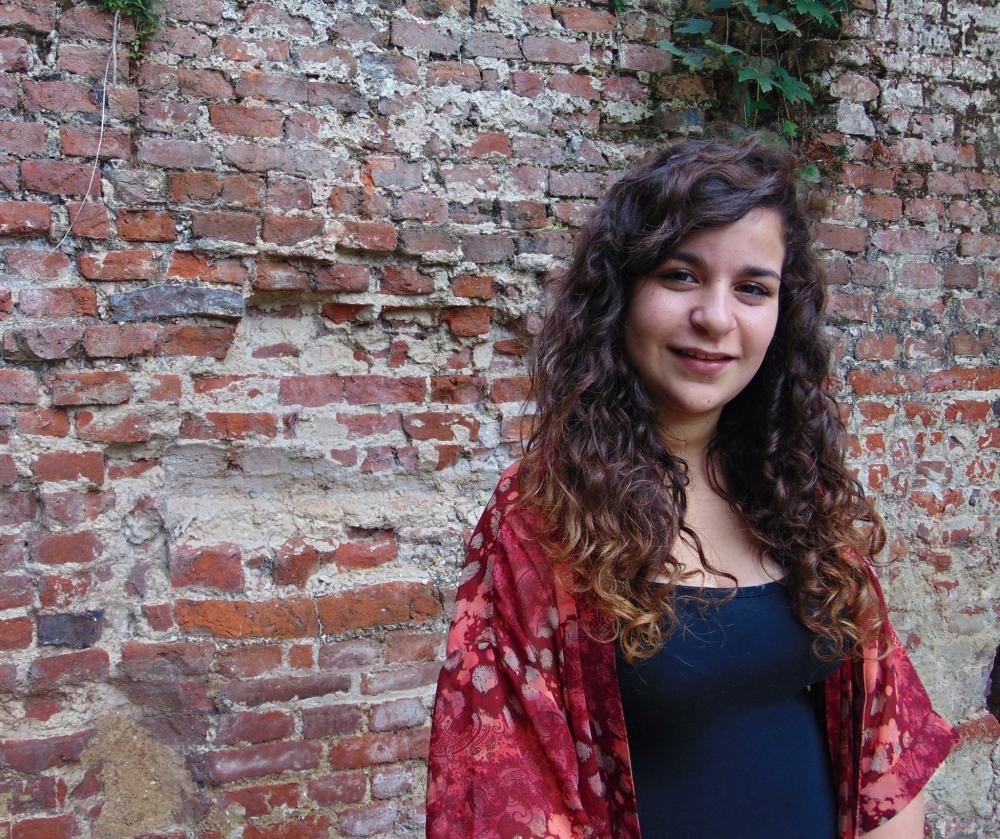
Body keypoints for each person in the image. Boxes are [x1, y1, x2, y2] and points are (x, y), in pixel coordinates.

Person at [426, 134, 956, 838]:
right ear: (621, 292)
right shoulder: (545, 512)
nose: (716, 318)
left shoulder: (796, 488)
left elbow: (884, 739)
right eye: (681, 275)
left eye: (753, 288)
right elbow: (501, 779)